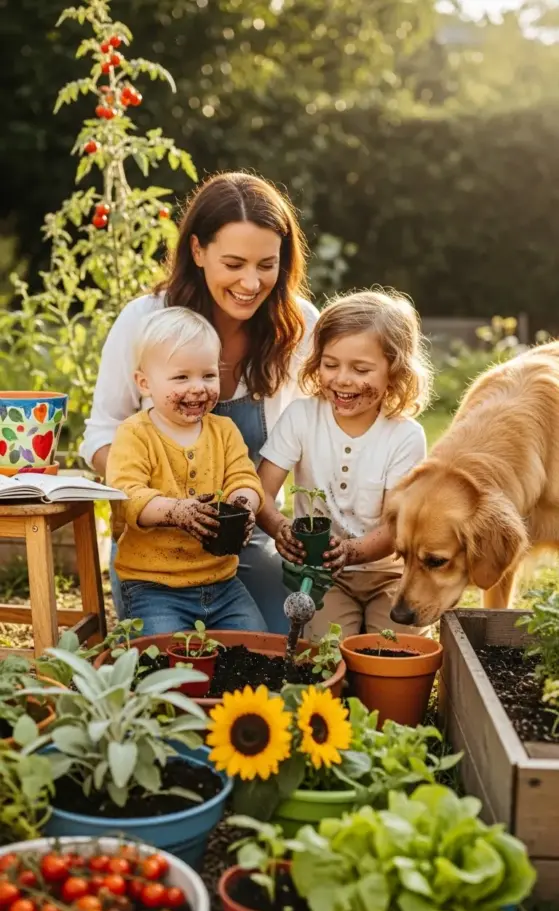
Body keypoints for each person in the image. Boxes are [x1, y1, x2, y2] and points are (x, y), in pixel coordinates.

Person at [80, 171, 319, 633]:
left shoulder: (298, 325)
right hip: (156, 548)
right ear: (197, 251)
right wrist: (166, 503)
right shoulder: (146, 319)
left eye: (266, 264)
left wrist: (255, 511)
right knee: (170, 654)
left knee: (283, 639)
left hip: (240, 540)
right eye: (234, 263)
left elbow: (322, 426)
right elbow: (100, 434)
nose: (251, 282)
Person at [257, 288, 433, 639]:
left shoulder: (405, 436)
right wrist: (279, 527)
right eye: (330, 364)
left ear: (393, 373)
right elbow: (260, 489)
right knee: (327, 654)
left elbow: (395, 527)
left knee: (396, 651)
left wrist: (351, 551)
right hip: (322, 574)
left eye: (361, 368)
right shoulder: (302, 417)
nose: (342, 379)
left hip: (390, 573)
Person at [106, 306, 267, 636]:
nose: (198, 388)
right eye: (181, 377)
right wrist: (177, 512)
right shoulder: (134, 434)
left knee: (256, 645)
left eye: (208, 375)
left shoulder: (224, 431)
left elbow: (243, 476)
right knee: (164, 661)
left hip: (222, 583)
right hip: (153, 587)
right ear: (144, 383)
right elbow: (127, 495)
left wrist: (243, 502)